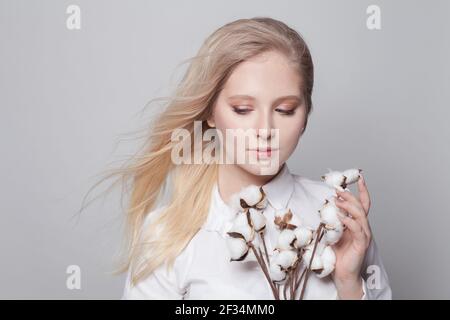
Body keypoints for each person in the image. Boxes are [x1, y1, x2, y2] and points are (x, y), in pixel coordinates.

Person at [116, 17, 391, 299]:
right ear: (211, 112)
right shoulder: (166, 233)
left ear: (305, 115)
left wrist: (349, 283)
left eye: (285, 110)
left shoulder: (338, 219)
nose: (265, 130)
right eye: (243, 109)